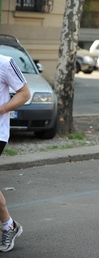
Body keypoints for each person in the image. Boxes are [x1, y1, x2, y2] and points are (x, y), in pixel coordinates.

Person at [0, 54, 31, 252]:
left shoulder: (4, 62)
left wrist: (1, 109)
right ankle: (9, 225)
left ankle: (8, 226)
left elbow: (24, 93)